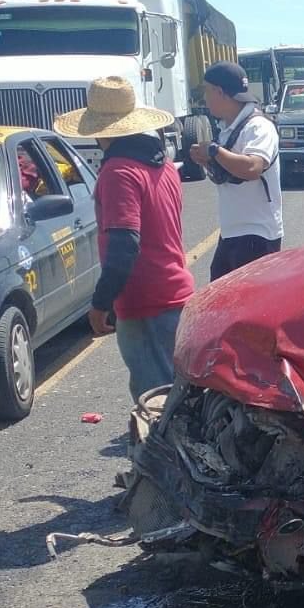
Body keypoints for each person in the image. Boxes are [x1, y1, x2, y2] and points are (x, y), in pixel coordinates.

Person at [53, 76, 194, 401]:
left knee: (156, 404)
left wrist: (101, 303)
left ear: (100, 128)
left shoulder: (119, 172)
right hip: (175, 291)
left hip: (144, 302)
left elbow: (124, 246)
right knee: (178, 396)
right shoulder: (165, 166)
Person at [190, 61, 284, 280]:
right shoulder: (228, 128)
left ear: (220, 92)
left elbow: (252, 167)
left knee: (251, 309)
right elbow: (231, 172)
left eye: (207, 90)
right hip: (233, 232)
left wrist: (214, 151)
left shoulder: (258, 127)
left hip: (257, 235)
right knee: (222, 303)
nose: (205, 97)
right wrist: (208, 161)